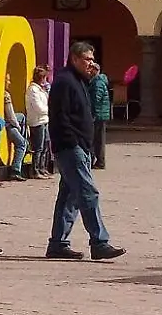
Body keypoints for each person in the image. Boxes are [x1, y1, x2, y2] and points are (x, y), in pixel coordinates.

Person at [47, 41, 126, 261]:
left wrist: (92, 80)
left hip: (80, 145)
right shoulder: (64, 81)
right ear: (74, 59)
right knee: (88, 192)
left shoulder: (79, 81)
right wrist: (74, 142)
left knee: (69, 195)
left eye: (92, 59)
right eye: (87, 59)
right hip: (70, 146)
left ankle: (58, 243)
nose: (91, 63)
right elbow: (60, 117)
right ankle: (99, 242)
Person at [24, 66, 50, 179]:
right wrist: (49, 110)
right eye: (44, 78)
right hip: (37, 121)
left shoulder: (40, 89)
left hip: (44, 120)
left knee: (45, 145)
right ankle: (35, 170)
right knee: (38, 147)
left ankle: (42, 167)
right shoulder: (32, 90)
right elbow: (38, 107)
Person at [88, 59, 112, 170]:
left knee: (97, 139)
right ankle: (98, 160)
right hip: (101, 114)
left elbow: (95, 100)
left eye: (91, 69)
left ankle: (99, 161)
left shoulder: (97, 82)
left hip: (98, 115)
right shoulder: (99, 81)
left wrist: (92, 114)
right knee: (98, 139)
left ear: (95, 70)